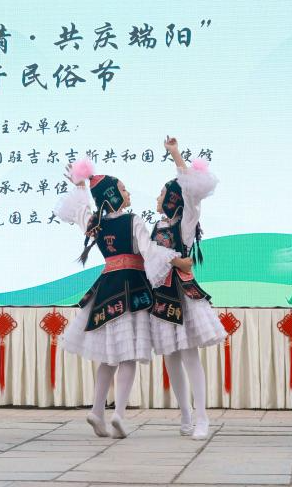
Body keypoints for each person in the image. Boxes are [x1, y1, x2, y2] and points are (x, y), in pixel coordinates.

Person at [55, 159, 183, 439]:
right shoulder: (133, 220)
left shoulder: (95, 223)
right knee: (129, 355)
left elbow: (80, 211)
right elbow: (148, 252)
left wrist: (80, 186)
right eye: (123, 189)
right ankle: (119, 415)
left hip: (106, 289)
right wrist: (172, 258)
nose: (128, 193)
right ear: (113, 195)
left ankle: (96, 410)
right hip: (132, 288)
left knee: (108, 356)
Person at [149, 137, 225, 440]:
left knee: (190, 355)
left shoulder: (185, 222)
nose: (157, 197)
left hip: (183, 294)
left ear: (173, 198)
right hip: (161, 294)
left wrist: (175, 155)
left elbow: (191, 194)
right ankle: (185, 415)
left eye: (162, 193)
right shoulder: (157, 226)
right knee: (170, 356)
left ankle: (202, 418)